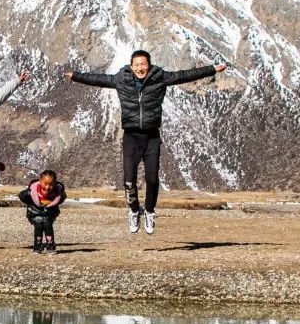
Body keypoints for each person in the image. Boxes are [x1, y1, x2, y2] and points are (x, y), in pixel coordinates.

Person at [64, 50, 226, 234]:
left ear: (148, 65)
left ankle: (149, 211)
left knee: (152, 179)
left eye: (143, 64)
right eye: (137, 65)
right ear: (131, 66)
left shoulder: (160, 77)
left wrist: (212, 69)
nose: (140, 68)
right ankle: (134, 210)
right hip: (131, 137)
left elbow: (185, 75)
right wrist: (76, 76)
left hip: (151, 136)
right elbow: (98, 79)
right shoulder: (121, 79)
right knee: (129, 181)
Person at [19, 170, 67, 253]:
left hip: (49, 214)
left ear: (55, 183)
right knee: (38, 227)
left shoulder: (58, 194)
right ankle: (37, 246)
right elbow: (23, 197)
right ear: (40, 181)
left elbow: (61, 199)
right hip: (35, 213)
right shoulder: (31, 192)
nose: (47, 187)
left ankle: (50, 245)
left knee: (48, 226)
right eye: (45, 184)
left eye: (51, 184)